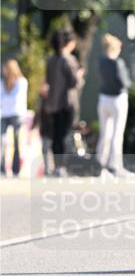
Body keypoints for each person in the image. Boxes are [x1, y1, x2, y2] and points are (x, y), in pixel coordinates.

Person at [44, 29, 84, 176]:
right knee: (65, 134)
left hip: (53, 103)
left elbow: (48, 80)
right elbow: (73, 82)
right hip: (66, 102)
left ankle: (56, 166)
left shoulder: (50, 60)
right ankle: (63, 166)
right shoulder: (68, 60)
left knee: (56, 135)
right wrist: (80, 75)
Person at [96, 33, 133, 176]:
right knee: (117, 133)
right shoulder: (118, 63)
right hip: (118, 99)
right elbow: (124, 82)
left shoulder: (101, 61)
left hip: (104, 98)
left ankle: (100, 162)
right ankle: (115, 165)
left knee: (105, 133)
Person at [1, 59, 28, 177]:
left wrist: (6, 99)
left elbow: (16, 99)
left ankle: (16, 168)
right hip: (4, 114)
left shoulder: (21, 81)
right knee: (2, 141)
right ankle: (2, 168)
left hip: (17, 114)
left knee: (17, 142)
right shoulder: (2, 83)